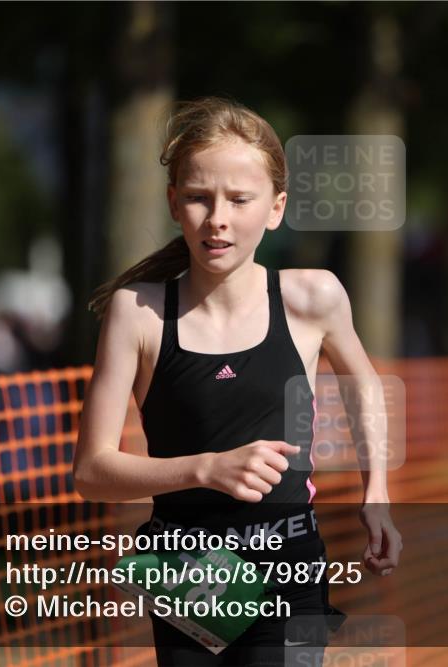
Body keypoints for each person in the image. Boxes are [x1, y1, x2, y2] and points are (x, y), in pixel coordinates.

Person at [73, 96, 401, 666]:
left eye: (239, 200)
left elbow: (364, 384)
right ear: (175, 204)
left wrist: (377, 494)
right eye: (199, 198)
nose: (217, 217)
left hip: (289, 561)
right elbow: (92, 471)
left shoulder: (312, 297)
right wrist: (207, 468)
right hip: (184, 571)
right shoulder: (138, 312)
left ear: (275, 209)